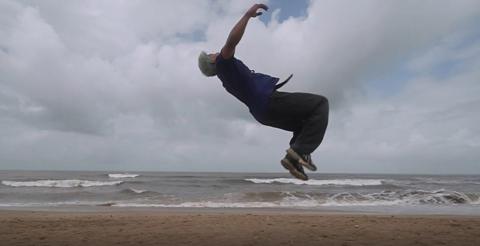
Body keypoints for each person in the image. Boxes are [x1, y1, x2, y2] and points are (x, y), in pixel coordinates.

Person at [197, 4, 329, 181]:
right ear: (212, 61)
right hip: (269, 101)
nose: (215, 52)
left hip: (263, 114)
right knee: (320, 104)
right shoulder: (223, 63)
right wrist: (246, 16)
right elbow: (231, 42)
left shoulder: (226, 78)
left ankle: (297, 158)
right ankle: (297, 153)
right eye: (211, 53)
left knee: (305, 123)